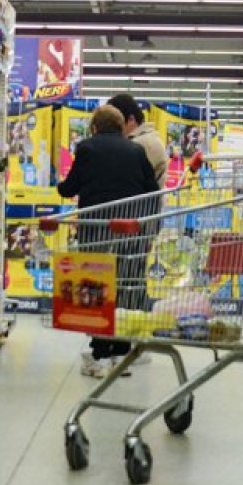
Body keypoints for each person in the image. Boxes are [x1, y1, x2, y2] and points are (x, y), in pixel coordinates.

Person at [57, 105, 160, 378]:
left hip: (97, 230)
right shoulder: (136, 151)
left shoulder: (87, 148)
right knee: (125, 286)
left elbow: (69, 188)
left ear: (95, 127)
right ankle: (120, 353)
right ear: (121, 126)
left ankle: (100, 353)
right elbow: (153, 191)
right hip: (129, 230)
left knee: (96, 289)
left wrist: (61, 186)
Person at [107, 94, 168, 188]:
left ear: (131, 119)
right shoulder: (146, 139)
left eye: (116, 123)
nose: (114, 128)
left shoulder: (143, 143)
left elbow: (123, 178)